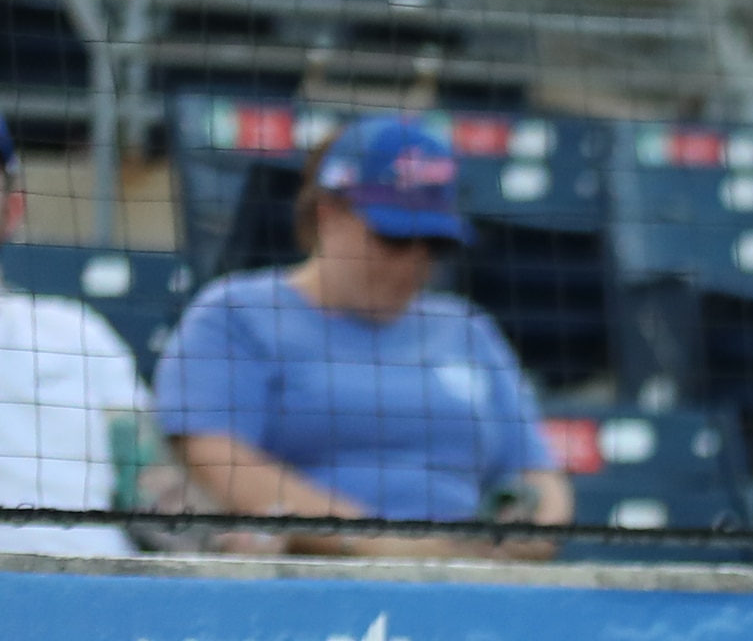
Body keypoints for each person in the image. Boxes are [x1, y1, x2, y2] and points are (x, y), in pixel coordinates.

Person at [155, 119, 564, 549]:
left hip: (465, 583)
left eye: (433, 242)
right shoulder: (236, 314)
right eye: (394, 237)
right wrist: (383, 546)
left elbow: (540, 476)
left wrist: (531, 533)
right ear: (328, 214)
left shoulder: (468, 328)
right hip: (301, 582)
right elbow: (219, 461)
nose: (414, 260)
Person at [0, 115, 144, 561]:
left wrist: (218, 533)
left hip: (98, 596)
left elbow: (150, 481)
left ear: (13, 207)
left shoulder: (78, 331)